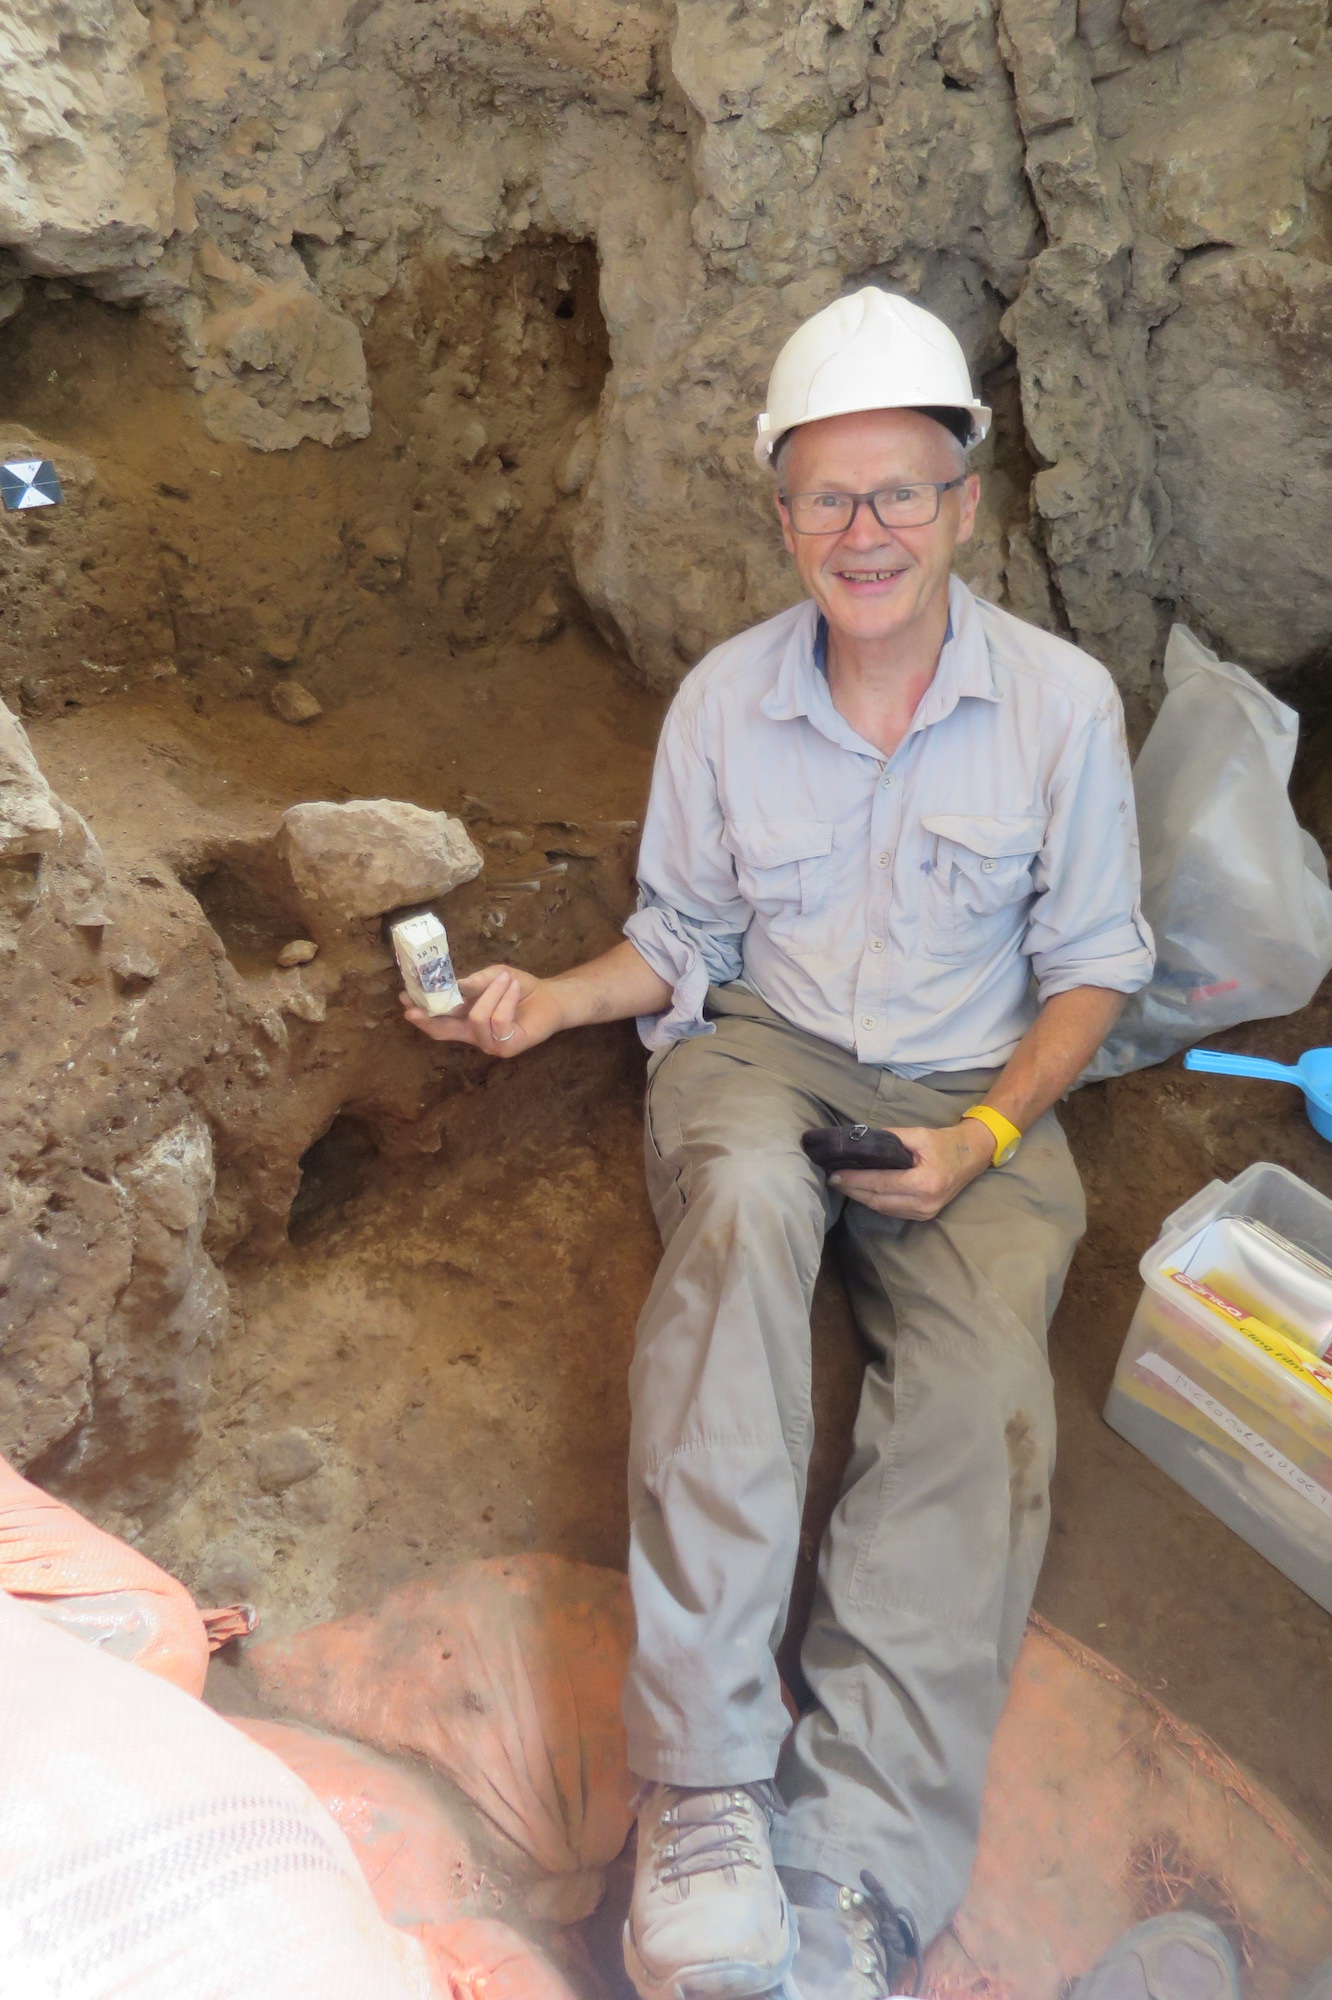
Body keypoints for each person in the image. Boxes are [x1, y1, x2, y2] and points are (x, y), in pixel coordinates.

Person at [403, 287, 1155, 1999]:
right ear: (782, 515)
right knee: (741, 1218)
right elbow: (681, 937)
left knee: (980, 1408)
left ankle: (858, 1871)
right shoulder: (726, 706)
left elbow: (1098, 963)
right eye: (826, 496)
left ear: (967, 504)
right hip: (772, 1054)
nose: (864, 531)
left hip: (979, 1082)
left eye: (900, 492)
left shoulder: (1059, 706)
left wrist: (976, 1138)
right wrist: (549, 1005)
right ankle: (707, 1791)